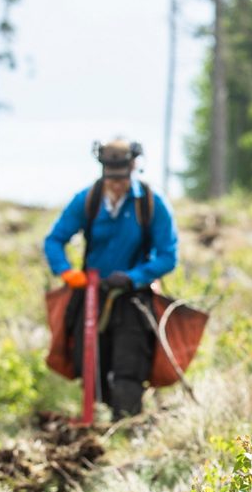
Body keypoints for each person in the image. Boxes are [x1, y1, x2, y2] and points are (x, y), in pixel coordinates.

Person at [44, 138, 179, 419]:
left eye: (122, 178)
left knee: (129, 366)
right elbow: (54, 240)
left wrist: (133, 277)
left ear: (133, 169)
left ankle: (126, 426)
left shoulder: (151, 204)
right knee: (89, 363)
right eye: (111, 178)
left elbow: (168, 256)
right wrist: (67, 272)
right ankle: (100, 421)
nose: (117, 185)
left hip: (134, 298)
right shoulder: (88, 200)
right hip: (91, 294)